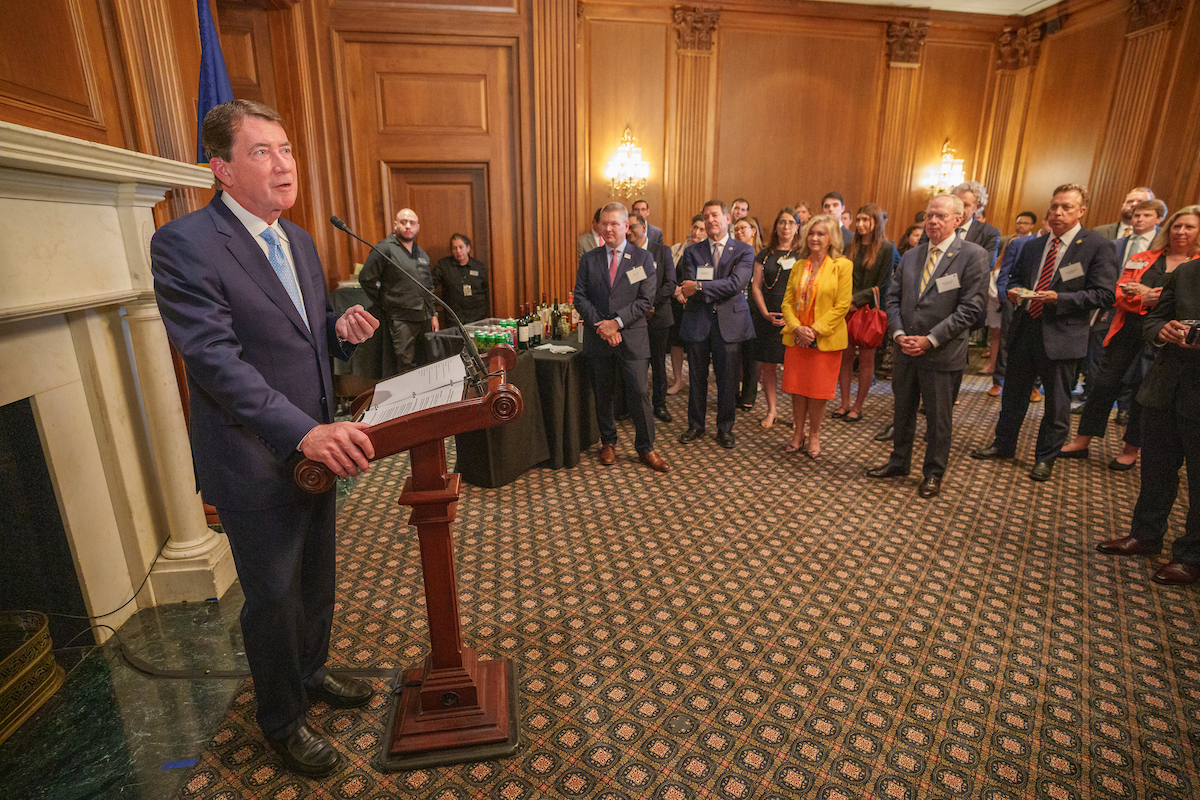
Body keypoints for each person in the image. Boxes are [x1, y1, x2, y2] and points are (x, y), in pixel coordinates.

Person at [152, 100, 380, 777]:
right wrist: (304, 432)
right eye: (262, 152)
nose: (283, 164)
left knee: (315, 580)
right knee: (274, 597)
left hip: (316, 447)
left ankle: (310, 675)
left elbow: (298, 323)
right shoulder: (185, 244)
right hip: (254, 457)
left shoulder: (299, 239)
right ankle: (281, 721)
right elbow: (216, 360)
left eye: (286, 149)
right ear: (221, 169)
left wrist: (338, 328)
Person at [971, 183, 1119, 482]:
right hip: (1026, 329)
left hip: (1063, 336)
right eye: (1054, 207)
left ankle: (1045, 458)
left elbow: (1105, 294)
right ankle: (1003, 444)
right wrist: (1012, 291)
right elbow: (1014, 277)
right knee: (1013, 396)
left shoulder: (1096, 246)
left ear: (1081, 211)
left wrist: (1058, 299)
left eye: (1066, 207)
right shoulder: (1034, 245)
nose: (1058, 213)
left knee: (1056, 404)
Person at [866, 194, 989, 498]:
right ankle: (899, 462)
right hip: (905, 348)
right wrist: (897, 334)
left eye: (941, 216)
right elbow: (893, 298)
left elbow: (971, 309)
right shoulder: (911, 256)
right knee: (902, 411)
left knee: (938, 419)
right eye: (929, 216)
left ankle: (933, 473)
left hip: (941, 352)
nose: (933, 221)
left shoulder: (973, 255)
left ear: (957, 220)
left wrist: (931, 338)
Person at [1060, 204, 1198, 471]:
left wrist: (1149, 296)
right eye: (1177, 226)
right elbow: (1119, 294)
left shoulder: (1196, 267)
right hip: (1127, 331)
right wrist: (1144, 298)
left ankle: (1130, 449)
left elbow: (1188, 308)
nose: (1181, 232)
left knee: (1141, 393)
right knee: (1102, 384)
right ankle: (1082, 441)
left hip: (1166, 340)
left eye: (1189, 227)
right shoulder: (1145, 257)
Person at [1095, 255, 1200, 586]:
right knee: (1156, 469)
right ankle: (1145, 535)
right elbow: (1153, 320)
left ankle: (1191, 557)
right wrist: (1163, 331)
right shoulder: (1186, 272)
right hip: (1165, 389)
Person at [573, 203, 670, 473]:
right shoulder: (589, 259)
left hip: (632, 338)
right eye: (604, 223)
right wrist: (601, 327)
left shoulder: (643, 258)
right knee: (603, 393)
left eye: (614, 223)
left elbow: (646, 300)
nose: (608, 228)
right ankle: (608, 442)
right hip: (598, 337)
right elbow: (580, 297)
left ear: (626, 227)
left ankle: (646, 447)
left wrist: (615, 323)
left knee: (639, 393)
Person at [677, 199, 756, 449]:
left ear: (727, 219)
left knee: (727, 379)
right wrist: (701, 288)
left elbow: (737, 284)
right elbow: (687, 285)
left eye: (715, 215)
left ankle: (725, 428)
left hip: (729, 323)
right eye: (707, 216)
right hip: (698, 321)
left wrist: (701, 287)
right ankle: (696, 425)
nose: (711, 220)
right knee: (697, 378)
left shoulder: (744, 251)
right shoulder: (692, 251)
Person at [779, 214, 852, 458]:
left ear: (832, 238)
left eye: (820, 234)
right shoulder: (799, 265)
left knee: (818, 392)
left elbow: (842, 306)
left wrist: (813, 331)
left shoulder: (843, 266)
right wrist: (797, 328)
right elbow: (787, 302)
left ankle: (814, 435)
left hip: (825, 339)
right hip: (798, 337)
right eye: (811, 233)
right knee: (798, 389)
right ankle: (797, 433)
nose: (814, 238)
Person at [835, 203, 898, 422]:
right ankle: (843, 403)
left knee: (866, 361)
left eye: (866, 220)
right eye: (858, 220)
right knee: (845, 358)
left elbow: (884, 285)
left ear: (876, 222)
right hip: (847, 309)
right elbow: (841, 278)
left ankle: (857, 406)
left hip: (869, 311)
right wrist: (846, 302)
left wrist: (855, 299)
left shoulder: (886, 248)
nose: (860, 225)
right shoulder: (849, 246)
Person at [359, 208, 439, 374]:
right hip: (401, 318)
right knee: (405, 363)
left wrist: (433, 314)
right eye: (403, 222)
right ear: (395, 225)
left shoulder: (421, 253)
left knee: (426, 361)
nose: (408, 226)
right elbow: (366, 279)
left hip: (424, 317)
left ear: (418, 227)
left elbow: (428, 287)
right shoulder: (384, 248)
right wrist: (386, 301)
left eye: (412, 223)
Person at [627, 213, 677, 422]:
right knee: (634, 364)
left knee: (658, 364)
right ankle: (632, 406)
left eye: (633, 227)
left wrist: (650, 304)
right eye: (626, 228)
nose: (629, 232)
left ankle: (660, 404)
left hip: (658, 317)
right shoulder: (625, 254)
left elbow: (670, 283)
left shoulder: (662, 251)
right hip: (633, 319)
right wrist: (639, 309)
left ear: (644, 227)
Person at [751, 208, 798, 428]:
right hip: (768, 316)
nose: (785, 227)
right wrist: (764, 313)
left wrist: (793, 318)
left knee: (794, 367)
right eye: (781, 222)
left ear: (797, 227)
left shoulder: (803, 254)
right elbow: (756, 286)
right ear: (776, 226)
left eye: (790, 223)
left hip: (795, 319)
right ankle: (772, 410)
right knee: (768, 365)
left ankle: (798, 415)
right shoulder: (765, 254)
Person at [984, 212, 1039, 375]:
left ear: (1032, 226)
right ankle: (998, 375)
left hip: (1030, 301)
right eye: (1019, 222)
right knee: (1001, 337)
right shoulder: (1008, 241)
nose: (1021, 225)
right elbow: (1004, 273)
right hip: (1005, 298)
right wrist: (1002, 295)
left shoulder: (1035, 244)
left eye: (1025, 223)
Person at [668, 215, 706, 394]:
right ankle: (677, 380)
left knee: (694, 345)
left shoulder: (707, 252)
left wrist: (690, 295)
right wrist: (677, 292)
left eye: (701, 229)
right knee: (676, 343)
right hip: (677, 302)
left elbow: (707, 280)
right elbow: (668, 276)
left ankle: (695, 381)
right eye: (694, 228)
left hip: (697, 304)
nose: (696, 232)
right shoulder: (677, 249)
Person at [733, 216, 764, 411]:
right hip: (734, 308)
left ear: (753, 230)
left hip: (754, 309)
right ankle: (732, 393)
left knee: (752, 354)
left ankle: (748, 396)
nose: (738, 232)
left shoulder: (762, 255)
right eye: (735, 229)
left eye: (742, 228)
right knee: (734, 355)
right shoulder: (732, 254)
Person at [432, 233, 490, 323]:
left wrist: (487, 316)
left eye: (461, 247)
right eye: (454, 248)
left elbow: (486, 291)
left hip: (477, 317)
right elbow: (430, 284)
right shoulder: (444, 265)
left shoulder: (478, 266)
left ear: (468, 248)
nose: (458, 251)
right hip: (454, 318)